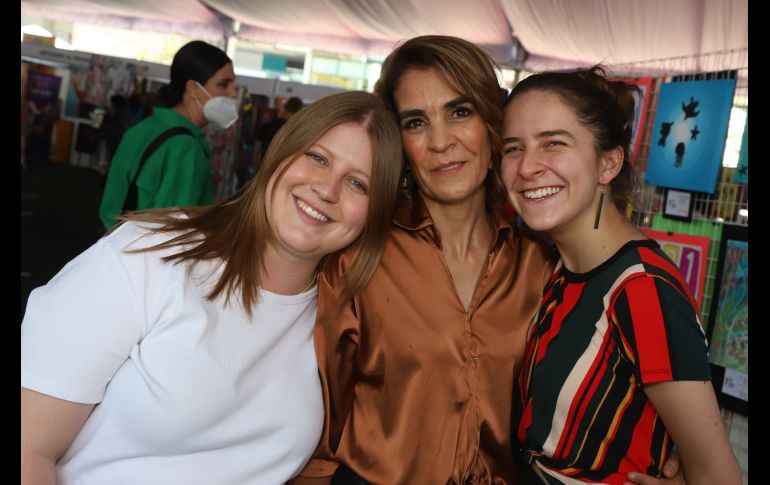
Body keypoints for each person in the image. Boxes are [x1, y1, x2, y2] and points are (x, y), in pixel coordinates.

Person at [294, 36, 683, 485]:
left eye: (460, 112)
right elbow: (314, 434)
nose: (441, 142)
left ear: (492, 123)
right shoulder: (359, 260)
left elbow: (602, 398)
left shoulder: (543, 267)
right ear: (399, 142)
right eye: (416, 122)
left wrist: (675, 461)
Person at [21, 90, 403, 485]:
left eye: (358, 183)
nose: (327, 189)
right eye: (318, 158)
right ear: (280, 154)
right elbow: (28, 447)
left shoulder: (341, 326)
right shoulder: (149, 253)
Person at [501, 66, 741, 484]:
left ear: (608, 163)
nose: (527, 167)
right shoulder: (557, 266)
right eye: (513, 148)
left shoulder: (642, 289)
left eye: (553, 143)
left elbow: (719, 475)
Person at [98, 40, 239, 231]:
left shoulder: (143, 128)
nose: (233, 92)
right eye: (224, 84)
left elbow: (111, 204)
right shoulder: (186, 149)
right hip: (147, 248)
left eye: (233, 83)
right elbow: (174, 233)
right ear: (193, 89)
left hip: (115, 241)